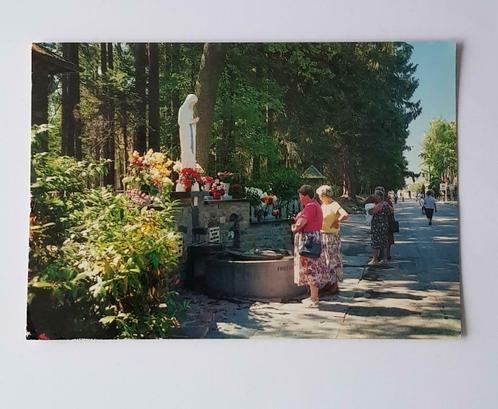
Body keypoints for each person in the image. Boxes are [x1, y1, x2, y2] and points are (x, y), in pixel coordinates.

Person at [291, 185, 326, 308]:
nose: (299, 199)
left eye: (301, 196)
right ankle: (312, 296)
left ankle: (314, 298)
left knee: (311, 268)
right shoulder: (316, 205)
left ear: (306, 195)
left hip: (309, 241)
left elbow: (300, 224)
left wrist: (294, 227)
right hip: (314, 238)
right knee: (312, 267)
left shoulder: (310, 207)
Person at [316, 185, 349, 294]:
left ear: (324, 195)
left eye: (320, 195)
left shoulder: (334, 204)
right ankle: (327, 283)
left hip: (331, 236)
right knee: (324, 261)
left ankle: (334, 285)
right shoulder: (323, 205)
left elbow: (345, 214)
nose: (319, 197)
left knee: (332, 260)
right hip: (322, 235)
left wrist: (337, 221)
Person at [368, 190, 393, 266]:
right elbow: (391, 211)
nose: (374, 197)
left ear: (379, 197)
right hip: (385, 225)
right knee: (384, 243)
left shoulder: (379, 205)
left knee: (375, 242)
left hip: (377, 226)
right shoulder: (386, 204)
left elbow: (372, 212)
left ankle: (374, 259)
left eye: (376, 196)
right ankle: (384, 259)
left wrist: (369, 209)